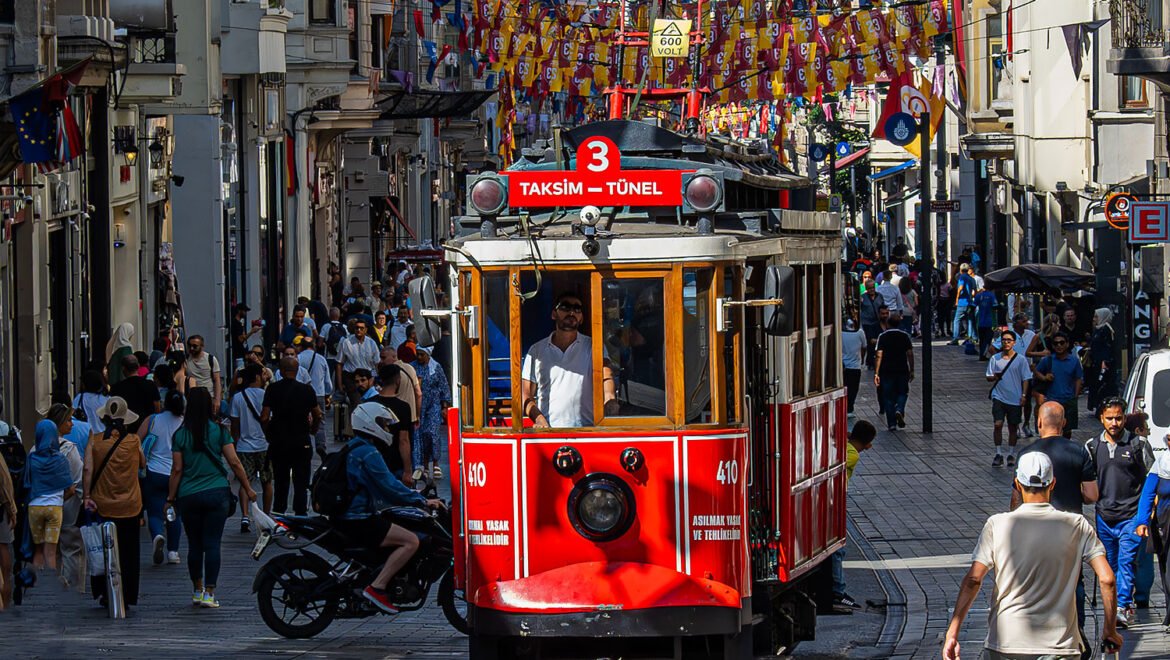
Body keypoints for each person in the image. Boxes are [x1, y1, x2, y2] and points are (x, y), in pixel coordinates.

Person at [943, 452, 1120, 660]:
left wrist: (953, 632)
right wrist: (1110, 629)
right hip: (1059, 646)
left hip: (1005, 643)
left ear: (1017, 484)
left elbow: (974, 579)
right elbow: (1107, 578)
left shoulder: (997, 525)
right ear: (1052, 484)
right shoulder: (1076, 525)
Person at [340, 401, 443, 614]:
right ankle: (377, 588)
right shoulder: (368, 453)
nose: (388, 430)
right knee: (411, 541)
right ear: (371, 424)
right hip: (358, 518)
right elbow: (389, 486)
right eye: (384, 425)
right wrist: (421, 500)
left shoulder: (354, 447)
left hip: (350, 514)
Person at [1014, 401, 1100, 644]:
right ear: (1063, 423)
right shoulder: (1078, 452)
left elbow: (1015, 498)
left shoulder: (1026, 455)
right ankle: (1077, 630)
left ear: (1039, 422)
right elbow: (1092, 495)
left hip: (1033, 532)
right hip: (1068, 533)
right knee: (1073, 580)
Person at [167, 387, 256, 608]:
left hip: (188, 494)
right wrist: (248, 487)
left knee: (194, 545)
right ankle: (209, 592)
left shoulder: (180, 434)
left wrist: (170, 498)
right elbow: (234, 462)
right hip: (216, 492)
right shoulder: (219, 431)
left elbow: (177, 469)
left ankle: (196, 590)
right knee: (213, 544)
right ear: (210, 406)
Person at [1087, 396, 1155, 628]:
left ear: (1124, 418)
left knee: (1127, 562)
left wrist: (1147, 513)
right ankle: (1113, 604)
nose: (1114, 423)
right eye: (1109, 418)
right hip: (1104, 516)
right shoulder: (1092, 446)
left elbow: (1151, 478)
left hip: (1131, 516)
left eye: (1118, 418)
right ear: (1101, 419)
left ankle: (1122, 606)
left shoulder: (1138, 444)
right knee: (1110, 564)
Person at [82, 396, 146, 608]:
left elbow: (88, 469)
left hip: (103, 504)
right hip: (130, 504)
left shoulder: (95, 441)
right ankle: (127, 594)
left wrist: (87, 496)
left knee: (104, 549)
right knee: (128, 551)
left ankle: (104, 591)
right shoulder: (134, 441)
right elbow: (143, 464)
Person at [522, 293, 619, 427]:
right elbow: (525, 395)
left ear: (582, 318)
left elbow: (606, 376)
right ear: (554, 314)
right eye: (565, 307)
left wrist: (610, 400)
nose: (572, 312)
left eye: (577, 308)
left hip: (587, 431)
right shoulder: (536, 350)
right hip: (550, 433)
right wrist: (539, 419)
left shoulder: (594, 347)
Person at [262, 357, 323, 515]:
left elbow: (264, 416)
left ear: (281, 371)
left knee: (281, 482)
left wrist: (268, 433)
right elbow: (317, 414)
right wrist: (313, 430)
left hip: (279, 441)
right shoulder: (307, 390)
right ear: (297, 371)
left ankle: (279, 513)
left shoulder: (272, 389)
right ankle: (300, 514)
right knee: (301, 482)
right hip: (301, 440)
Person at [831, 420, 876, 613]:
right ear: (867, 443)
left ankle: (837, 590)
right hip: (836, 502)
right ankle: (838, 591)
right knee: (839, 548)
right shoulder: (852, 454)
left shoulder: (846, 446)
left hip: (833, 499)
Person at [137, 389, 185, 565]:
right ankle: (173, 551)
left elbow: (136, 441)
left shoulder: (152, 419)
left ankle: (157, 534)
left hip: (153, 471)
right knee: (175, 512)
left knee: (155, 511)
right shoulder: (184, 423)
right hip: (176, 473)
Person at [26, 419, 74, 573]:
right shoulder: (60, 460)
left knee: (38, 550)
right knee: (51, 551)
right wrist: (60, 500)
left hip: (34, 508)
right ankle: (52, 582)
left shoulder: (32, 459)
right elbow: (70, 489)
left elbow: (26, 483)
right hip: (54, 508)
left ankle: (35, 584)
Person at [46, 403, 85, 588]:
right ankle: (70, 583)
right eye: (69, 420)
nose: (72, 424)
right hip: (68, 506)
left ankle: (57, 582)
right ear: (60, 423)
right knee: (71, 548)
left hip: (44, 505)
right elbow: (76, 483)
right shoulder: (69, 449)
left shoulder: (36, 448)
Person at [229, 364, 271, 533]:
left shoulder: (238, 397)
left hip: (244, 446)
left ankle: (245, 515)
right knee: (267, 481)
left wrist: (235, 442)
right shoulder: (266, 395)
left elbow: (234, 424)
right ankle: (266, 515)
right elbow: (269, 419)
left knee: (245, 482)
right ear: (257, 377)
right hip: (264, 444)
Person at [986, 330, 1031, 468]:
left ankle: (1011, 453)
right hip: (999, 397)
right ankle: (998, 453)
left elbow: (1026, 379)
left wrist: (1024, 395)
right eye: (1004, 340)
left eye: (1009, 340)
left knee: (1013, 427)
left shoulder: (1021, 360)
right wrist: (995, 377)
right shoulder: (995, 359)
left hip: (1015, 398)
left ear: (1014, 343)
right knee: (998, 424)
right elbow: (988, 377)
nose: (1006, 342)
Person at [1033, 332, 1084, 438]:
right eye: (1056, 343)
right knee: (1051, 430)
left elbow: (1078, 378)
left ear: (1067, 344)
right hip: (1052, 400)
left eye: (1062, 343)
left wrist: (1075, 395)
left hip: (1068, 400)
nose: (1059, 345)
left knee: (1067, 430)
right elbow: (1036, 371)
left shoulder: (1074, 361)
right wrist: (1044, 377)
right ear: (1052, 346)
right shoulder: (1048, 360)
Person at [412, 347, 450, 481]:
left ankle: (436, 462)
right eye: (418, 354)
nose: (419, 357)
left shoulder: (436, 367)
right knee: (422, 435)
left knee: (433, 433)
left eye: (422, 355)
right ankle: (425, 465)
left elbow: (444, 386)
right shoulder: (413, 367)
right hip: (419, 406)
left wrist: (444, 406)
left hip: (433, 404)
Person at [874, 312, 913, 432]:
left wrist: (876, 372)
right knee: (903, 392)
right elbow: (910, 354)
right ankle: (899, 409)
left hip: (886, 370)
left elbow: (879, 354)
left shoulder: (883, 336)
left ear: (888, 324)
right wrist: (912, 369)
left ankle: (891, 423)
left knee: (888, 396)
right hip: (902, 369)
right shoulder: (905, 336)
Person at [296, 333, 332, 458]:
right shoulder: (321, 359)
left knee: (302, 420)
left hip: (302, 394)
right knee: (320, 420)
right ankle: (320, 445)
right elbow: (327, 381)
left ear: (301, 346)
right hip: (319, 394)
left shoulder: (298, 358)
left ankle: (304, 445)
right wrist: (328, 394)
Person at [337, 318, 381, 406]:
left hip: (368, 376)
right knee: (356, 401)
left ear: (366, 330)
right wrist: (340, 384)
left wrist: (375, 379)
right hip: (351, 376)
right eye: (357, 328)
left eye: (361, 328)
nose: (359, 330)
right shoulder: (346, 342)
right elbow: (339, 364)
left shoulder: (371, 343)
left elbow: (377, 364)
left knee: (370, 401)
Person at [110, 354, 162, 421]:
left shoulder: (116, 387)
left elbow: (114, 410)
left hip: (126, 426)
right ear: (138, 366)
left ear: (123, 368)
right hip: (147, 425)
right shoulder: (150, 384)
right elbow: (157, 408)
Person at [1086, 308, 1117, 412]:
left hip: (1103, 365)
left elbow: (1107, 347)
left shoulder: (1106, 330)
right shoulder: (1098, 329)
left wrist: (1105, 361)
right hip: (1096, 363)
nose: (1094, 319)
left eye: (1096, 317)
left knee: (1102, 384)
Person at [184, 335, 223, 413]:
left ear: (202, 346)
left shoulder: (211, 359)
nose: (191, 348)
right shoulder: (185, 360)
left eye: (195, 346)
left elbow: (217, 380)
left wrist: (217, 400)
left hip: (208, 398)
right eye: (189, 345)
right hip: (192, 398)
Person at [841, 318, 866, 414]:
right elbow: (864, 347)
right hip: (855, 366)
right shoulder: (860, 333)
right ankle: (850, 406)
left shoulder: (841, 333)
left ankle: (846, 405)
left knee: (845, 386)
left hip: (844, 365)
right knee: (853, 388)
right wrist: (862, 359)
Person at [73, 369, 110, 434]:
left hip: (86, 434)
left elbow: (72, 415)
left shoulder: (80, 398)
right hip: (105, 435)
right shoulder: (107, 398)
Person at [949, 264, 977, 344]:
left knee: (957, 320)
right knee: (971, 320)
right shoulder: (972, 279)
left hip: (962, 302)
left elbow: (960, 288)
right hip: (970, 302)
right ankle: (972, 337)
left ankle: (955, 338)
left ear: (961, 270)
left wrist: (957, 300)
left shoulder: (962, 277)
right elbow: (975, 291)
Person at [858, 281, 883, 370]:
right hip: (867, 323)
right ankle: (870, 361)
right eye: (869, 288)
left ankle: (877, 359)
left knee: (877, 341)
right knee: (870, 342)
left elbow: (882, 306)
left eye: (872, 287)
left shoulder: (879, 296)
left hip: (877, 322)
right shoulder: (863, 297)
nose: (871, 289)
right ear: (866, 288)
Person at [230, 303, 262, 370]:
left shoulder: (240, 323)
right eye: (244, 311)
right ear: (239, 311)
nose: (245, 313)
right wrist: (252, 331)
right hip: (238, 356)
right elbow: (241, 339)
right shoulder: (236, 323)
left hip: (242, 354)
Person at [973, 286, 998, 361]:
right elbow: (995, 306)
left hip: (980, 321)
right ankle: (985, 354)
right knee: (988, 340)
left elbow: (973, 306)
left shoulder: (978, 296)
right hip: (989, 322)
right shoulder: (991, 295)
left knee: (982, 339)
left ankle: (981, 355)